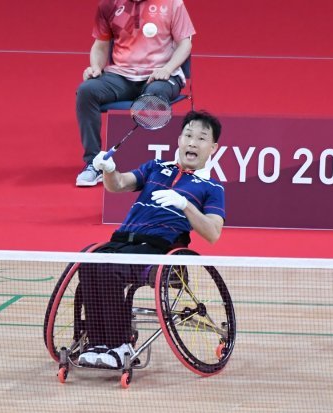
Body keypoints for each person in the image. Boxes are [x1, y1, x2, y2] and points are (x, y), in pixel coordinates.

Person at [77, 110, 224, 369]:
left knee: (110, 271)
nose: (192, 142)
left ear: (213, 147)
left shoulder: (212, 188)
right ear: (178, 139)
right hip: (122, 242)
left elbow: (213, 233)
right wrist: (110, 170)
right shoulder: (155, 168)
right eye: (188, 135)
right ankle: (98, 344)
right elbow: (119, 184)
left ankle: (119, 346)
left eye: (201, 138)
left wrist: (185, 205)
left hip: (158, 251)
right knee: (88, 265)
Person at [75, 0, 196, 186]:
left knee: (153, 96)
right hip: (121, 76)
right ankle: (94, 162)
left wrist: (167, 68)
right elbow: (100, 45)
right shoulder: (109, 5)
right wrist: (95, 68)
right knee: (87, 91)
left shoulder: (172, 3)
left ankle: (156, 166)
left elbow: (184, 44)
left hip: (161, 77)